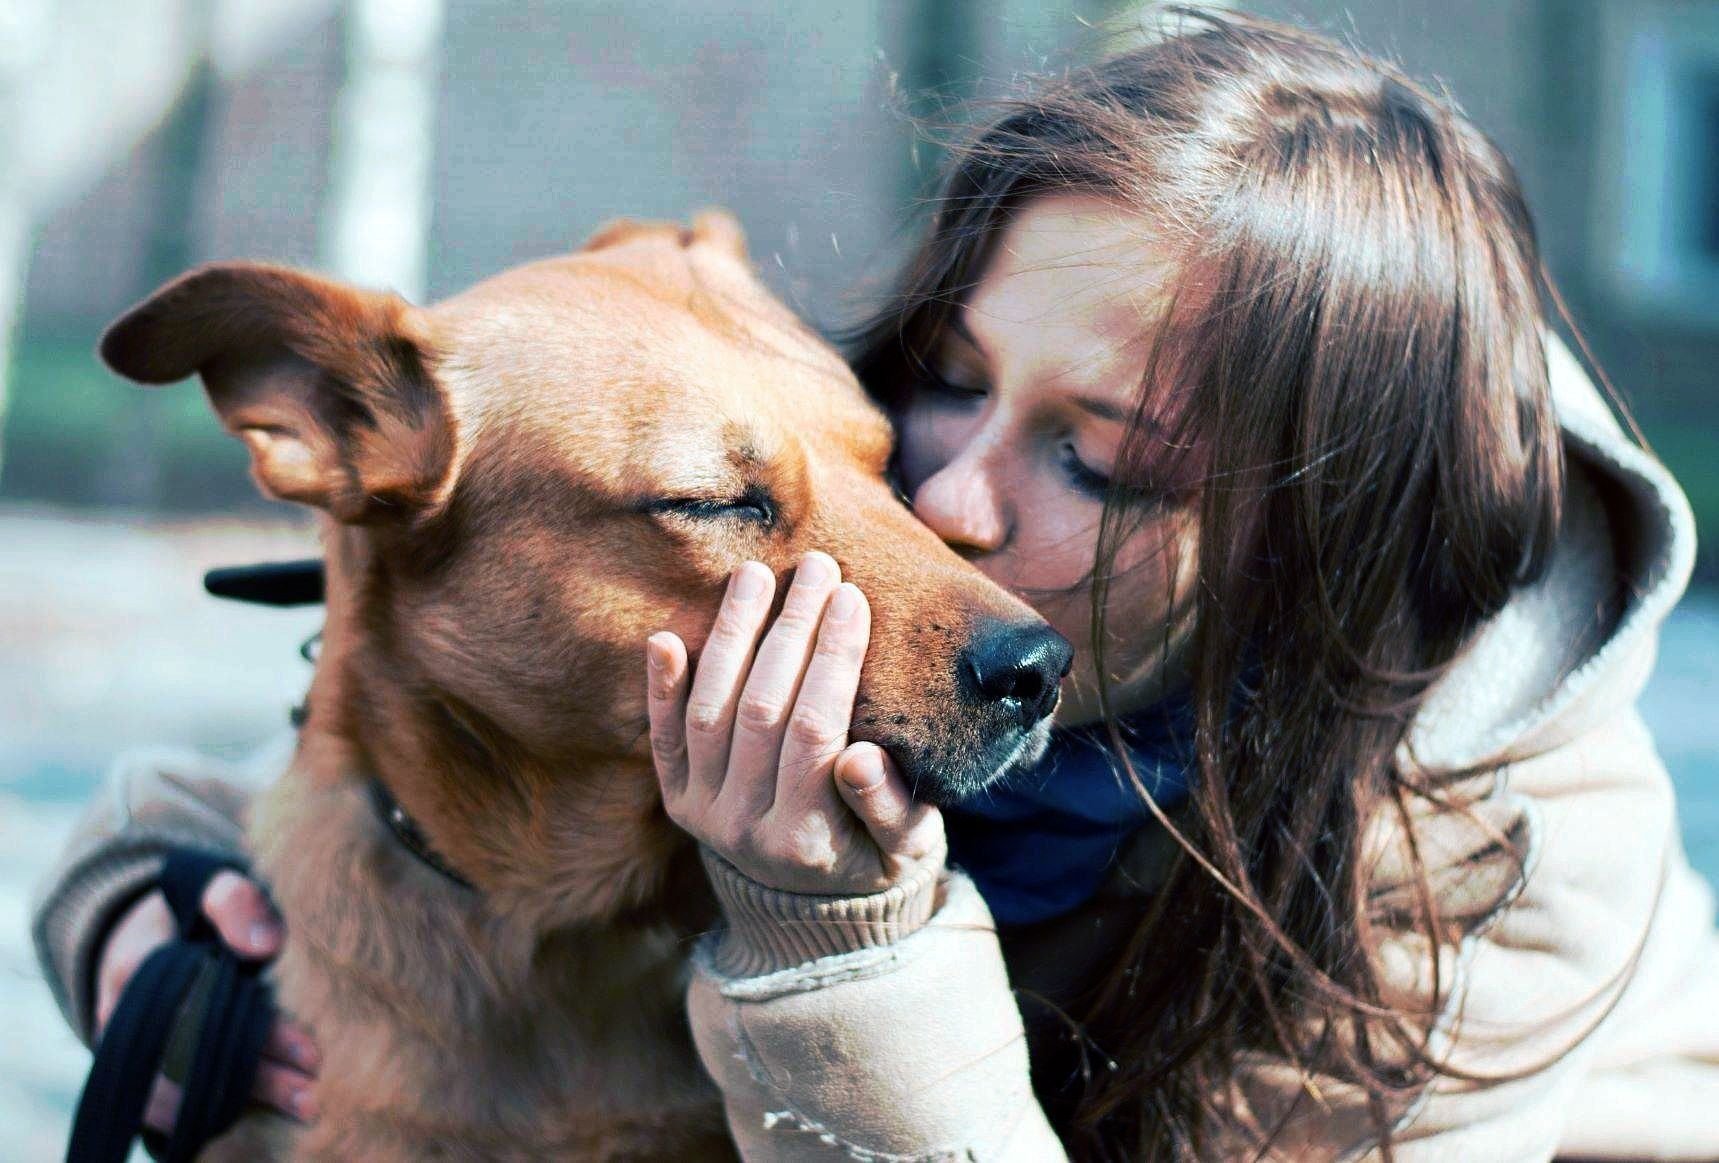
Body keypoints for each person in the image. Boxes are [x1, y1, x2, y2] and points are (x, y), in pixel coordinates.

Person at [34, 9, 1719, 1159]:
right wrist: (129, 918)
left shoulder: (1497, 860)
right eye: (941, 375)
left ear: (1316, 542)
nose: (946, 510)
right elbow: (347, 769)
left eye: (1103, 461)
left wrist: (834, 928)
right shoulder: (806, 533)